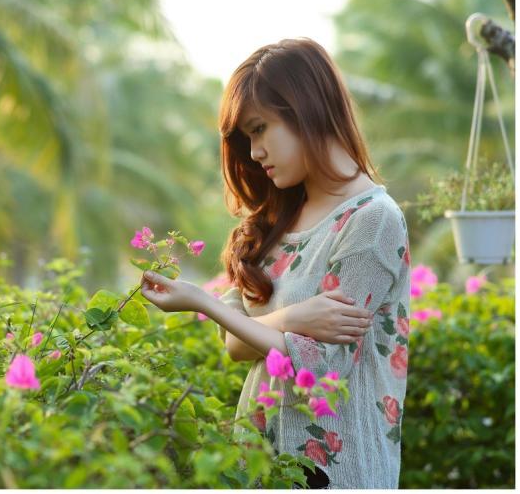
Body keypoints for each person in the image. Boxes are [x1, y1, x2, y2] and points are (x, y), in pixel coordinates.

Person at [139, 38, 411, 489]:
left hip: (337, 474)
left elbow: (321, 368)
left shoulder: (372, 220)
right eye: (248, 137)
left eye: (260, 129)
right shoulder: (277, 220)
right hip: (261, 463)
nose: (254, 152)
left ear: (307, 110)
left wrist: (207, 304)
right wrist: (293, 319)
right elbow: (236, 344)